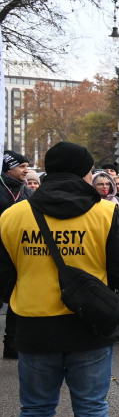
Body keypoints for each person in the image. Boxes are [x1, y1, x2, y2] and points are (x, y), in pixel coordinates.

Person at [0, 141, 119, 417]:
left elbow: (2, 276)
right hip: (88, 325)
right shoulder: (105, 213)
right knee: (92, 409)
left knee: (35, 411)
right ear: (84, 173)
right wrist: (110, 297)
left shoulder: (13, 216)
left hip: (33, 325)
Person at [0, 151, 33, 361]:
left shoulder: (28, 192)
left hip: (20, 256)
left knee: (16, 300)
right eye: (21, 166)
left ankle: (11, 345)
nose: (26, 170)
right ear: (8, 167)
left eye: (27, 166)